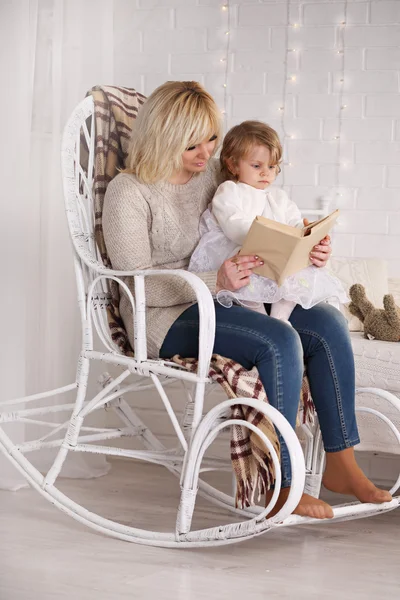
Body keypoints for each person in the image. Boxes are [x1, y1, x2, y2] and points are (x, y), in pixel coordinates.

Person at [102, 80, 392, 520]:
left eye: (212, 140)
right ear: (162, 139)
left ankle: (341, 462)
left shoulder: (209, 178)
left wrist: (305, 245)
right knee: (278, 339)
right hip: (161, 317)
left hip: (225, 297)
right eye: (191, 145)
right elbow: (135, 286)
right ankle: (283, 482)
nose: (206, 155)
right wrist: (211, 277)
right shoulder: (130, 192)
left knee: (328, 322)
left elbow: (257, 216)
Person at [189, 120, 349, 323]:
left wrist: (309, 233)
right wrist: (265, 238)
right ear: (232, 164)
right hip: (245, 252)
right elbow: (233, 223)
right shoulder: (230, 191)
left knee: (298, 274)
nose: (266, 172)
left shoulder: (278, 197)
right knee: (247, 278)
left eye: (272, 166)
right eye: (257, 166)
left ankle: (280, 319)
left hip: (275, 256)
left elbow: (295, 222)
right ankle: (261, 318)